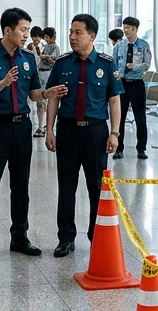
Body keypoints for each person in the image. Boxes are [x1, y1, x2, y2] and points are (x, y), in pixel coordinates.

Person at [0, 8, 54, 261]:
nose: (26, 35)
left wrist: (48, 94)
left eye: (28, 30)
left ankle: (20, 236)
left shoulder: (28, 57)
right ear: (7, 30)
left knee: (21, 185)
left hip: (22, 127)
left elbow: (33, 94)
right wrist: (4, 82)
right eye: (22, 29)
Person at [44, 14, 121, 258]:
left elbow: (114, 100)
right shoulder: (62, 63)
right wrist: (49, 129)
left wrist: (115, 133)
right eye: (70, 32)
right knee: (66, 186)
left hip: (95, 131)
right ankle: (65, 238)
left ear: (92, 36)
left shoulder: (107, 64)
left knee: (96, 187)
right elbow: (54, 98)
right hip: (67, 130)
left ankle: (96, 236)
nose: (72, 37)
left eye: (78, 32)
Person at [112, 16, 153, 160]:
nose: (126, 30)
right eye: (124, 28)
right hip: (122, 84)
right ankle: (119, 149)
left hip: (137, 83)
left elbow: (147, 64)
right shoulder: (119, 46)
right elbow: (114, 64)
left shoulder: (143, 45)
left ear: (135, 29)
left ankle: (141, 149)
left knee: (140, 117)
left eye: (128, 28)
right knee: (120, 117)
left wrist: (134, 67)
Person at [35, 27, 59, 137]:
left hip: (48, 72)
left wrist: (47, 57)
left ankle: (46, 125)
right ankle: (40, 125)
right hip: (40, 72)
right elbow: (42, 56)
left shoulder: (55, 47)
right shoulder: (44, 47)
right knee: (39, 101)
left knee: (46, 100)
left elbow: (52, 60)